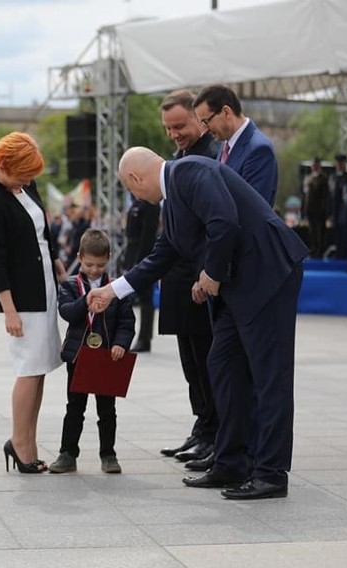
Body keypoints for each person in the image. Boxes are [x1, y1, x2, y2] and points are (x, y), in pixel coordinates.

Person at [87, 147, 308, 500]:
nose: (135, 198)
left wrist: (212, 274)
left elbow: (224, 222)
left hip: (267, 276)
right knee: (222, 366)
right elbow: (161, 257)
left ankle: (270, 473)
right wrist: (112, 291)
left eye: (131, 190)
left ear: (135, 179)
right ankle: (231, 460)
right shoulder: (173, 198)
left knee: (270, 378)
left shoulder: (189, 171)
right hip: (240, 287)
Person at [0, 131, 66, 474]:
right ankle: (19, 442)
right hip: (22, 298)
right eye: (22, 173)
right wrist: (9, 310)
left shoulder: (26, 185)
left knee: (40, 368)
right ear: (2, 165)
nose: (28, 180)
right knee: (28, 369)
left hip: (44, 286)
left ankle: (28, 439)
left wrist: (56, 259)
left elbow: (43, 232)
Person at [156, 89, 221, 470]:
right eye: (168, 129)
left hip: (202, 274)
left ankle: (215, 431)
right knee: (190, 360)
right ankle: (202, 425)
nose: (175, 134)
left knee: (207, 357)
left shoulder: (212, 157)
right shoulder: (179, 158)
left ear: (200, 119)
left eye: (180, 125)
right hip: (178, 272)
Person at [49, 229, 135, 474]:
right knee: (75, 407)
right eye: (89, 264)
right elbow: (66, 312)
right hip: (79, 356)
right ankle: (67, 453)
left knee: (107, 409)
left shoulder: (118, 287)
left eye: (99, 264)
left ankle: (108, 454)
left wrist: (121, 343)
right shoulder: (70, 285)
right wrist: (86, 300)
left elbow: (127, 322)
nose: (95, 269)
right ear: (79, 257)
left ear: (108, 258)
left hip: (108, 355)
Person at [193, 84, 278, 206]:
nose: (205, 130)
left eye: (206, 122)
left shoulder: (259, 150)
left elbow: (253, 211)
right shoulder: (225, 145)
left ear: (226, 112)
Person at [122, 196, 159, 353]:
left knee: (145, 298)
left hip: (141, 253)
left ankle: (145, 338)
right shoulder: (137, 203)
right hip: (132, 251)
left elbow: (148, 235)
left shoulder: (149, 203)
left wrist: (140, 261)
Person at [303, 157, 330, 258]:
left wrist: (324, 208)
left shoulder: (323, 178)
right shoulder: (308, 178)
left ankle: (320, 250)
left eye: (316, 165)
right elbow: (305, 195)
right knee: (312, 231)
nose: (314, 166)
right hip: (309, 209)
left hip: (319, 209)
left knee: (319, 231)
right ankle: (313, 249)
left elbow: (325, 195)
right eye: (313, 165)